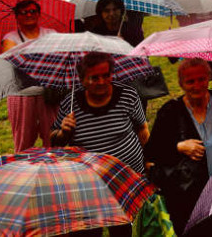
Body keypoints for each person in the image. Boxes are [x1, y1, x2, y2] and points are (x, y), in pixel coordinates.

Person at [50, 52, 149, 237]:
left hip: (124, 180)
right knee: (88, 231)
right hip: (88, 186)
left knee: (121, 229)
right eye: (94, 77)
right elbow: (54, 140)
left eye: (106, 75)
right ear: (82, 79)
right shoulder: (70, 105)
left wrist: (151, 161)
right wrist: (64, 131)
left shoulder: (127, 95)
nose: (102, 81)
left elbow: (142, 129)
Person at [145, 58, 212, 237]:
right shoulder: (171, 111)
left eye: (202, 79)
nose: (197, 85)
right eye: (190, 81)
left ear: (209, 78)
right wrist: (178, 147)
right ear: (181, 84)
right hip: (186, 196)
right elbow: (152, 152)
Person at [2, 0, 59, 151]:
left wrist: (27, 56)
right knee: (23, 143)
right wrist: (44, 57)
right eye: (24, 12)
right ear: (17, 16)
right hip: (21, 95)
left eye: (33, 11)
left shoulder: (51, 34)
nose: (29, 14)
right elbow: (12, 64)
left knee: (54, 139)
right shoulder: (10, 37)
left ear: (39, 14)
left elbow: (58, 59)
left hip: (49, 95)